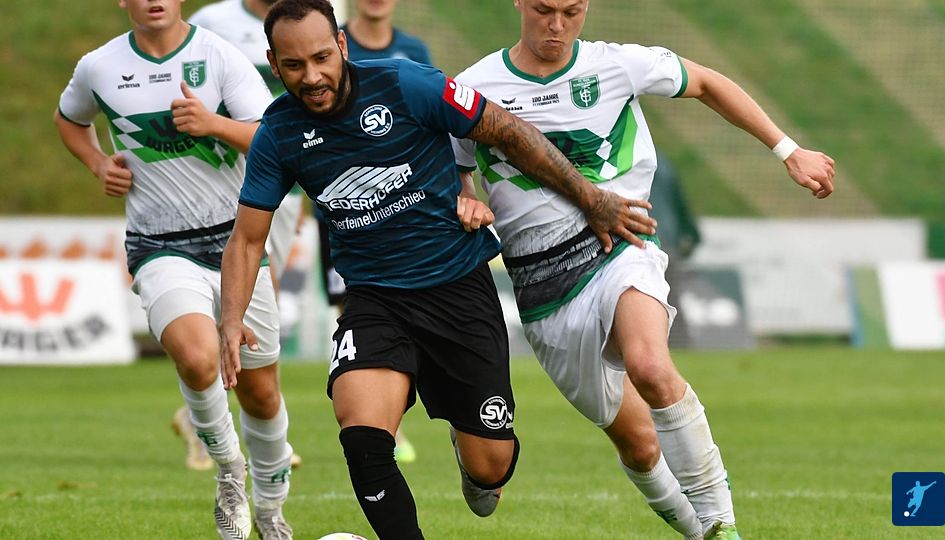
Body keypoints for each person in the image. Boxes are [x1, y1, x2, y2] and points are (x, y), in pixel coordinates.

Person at [218, 1, 656, 538]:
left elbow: (509, 133)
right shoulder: (278, 132)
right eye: (293, 65)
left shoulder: (407, 84)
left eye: (321, 58)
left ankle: (471, 449)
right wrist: (231, 319)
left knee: (490, 467)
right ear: (273, 63)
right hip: (375, 299)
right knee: (361, 433)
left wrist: (589, 198)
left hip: (457, 288)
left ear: (342, 46)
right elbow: (247, 239)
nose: (311, 77)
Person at [452, 1, 835, 538]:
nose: (557, 25)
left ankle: (722, 527)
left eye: (572, 10)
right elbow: (456, 167)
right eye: (544, 9)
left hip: (623, 245)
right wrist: (467, 195)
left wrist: (788, 150)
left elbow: (707, 82)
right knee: (639, 445)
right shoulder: (475, 86)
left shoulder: (618, 64)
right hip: (542, 287)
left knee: (651, 368)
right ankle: (700, 531)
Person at [54, 1, 295, 538]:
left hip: (235, 245)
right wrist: (98, 163)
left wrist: (212, 124)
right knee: (197, 357)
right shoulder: (99, 66)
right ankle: (229, 470)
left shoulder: (219, 55)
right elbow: (69, 119)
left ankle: (272, 508)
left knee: (261, 393)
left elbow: (273, 138)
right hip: (158, 244)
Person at [171, 0, 304, 474]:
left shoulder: (309, 18)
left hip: (290, 186)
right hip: (229, 191)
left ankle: (212, 418)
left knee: (256, 313)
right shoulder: (213, 23)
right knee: (222, 312)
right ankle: (209, 423)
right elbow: (181, 108)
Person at [313, 0, 434, 463]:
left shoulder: (413, 51)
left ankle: (393, 411)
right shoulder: (328, 46)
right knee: (353, 308)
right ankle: (382, 421)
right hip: (344, 214)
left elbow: (434, 125)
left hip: (404, 214)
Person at [647, 150, 701, 349]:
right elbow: (679, 202)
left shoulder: (619, 153)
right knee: (670, 300)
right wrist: (692, 235)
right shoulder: (663, 162)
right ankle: (680, 348)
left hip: (635, 237)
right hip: (665, 239)